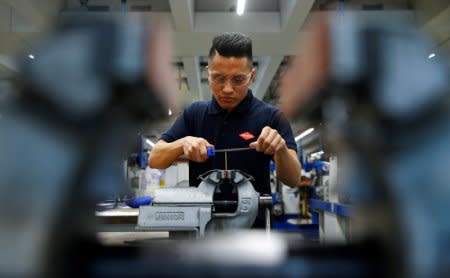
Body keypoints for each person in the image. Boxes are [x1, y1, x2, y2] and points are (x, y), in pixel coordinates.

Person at [149, 32, 301, 226]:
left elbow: (293, 179)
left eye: (238, 80)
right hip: (202, 231)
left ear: (252, 76)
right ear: (208, 73)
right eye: (219, 78)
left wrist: (280, 150)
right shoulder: (194, 115)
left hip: (253, 234)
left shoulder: (271, 117)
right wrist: (182, 143)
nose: (228, 89)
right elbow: (155, 159)